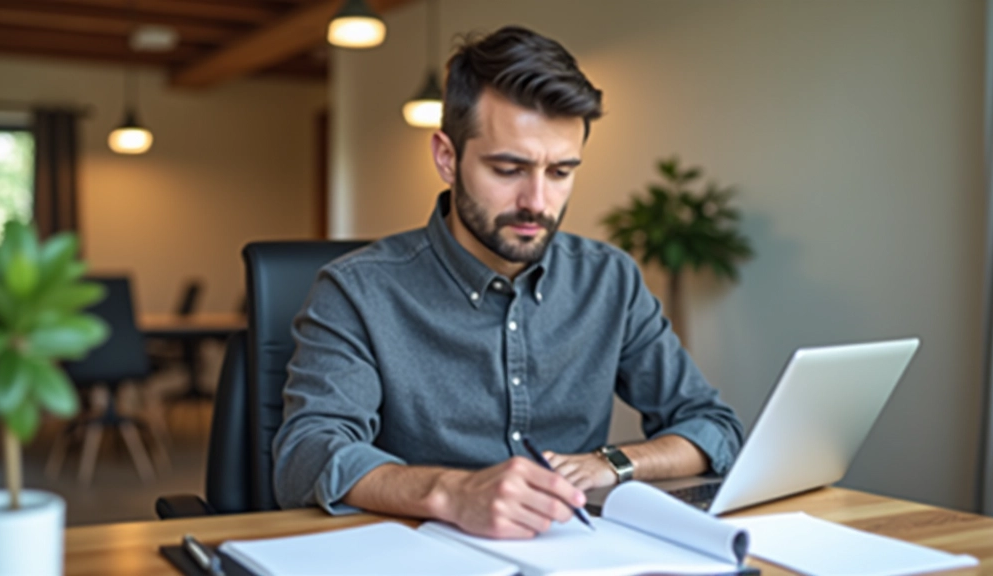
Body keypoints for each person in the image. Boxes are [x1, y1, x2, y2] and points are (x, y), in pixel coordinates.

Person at [272, 25, 743, 539]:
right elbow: (308, 453)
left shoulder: (610, 280)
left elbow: (711, 427)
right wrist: (452, 492)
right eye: (508, 169)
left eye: (561, 172)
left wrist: (614, 462)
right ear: (447, 158)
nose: (537, 202)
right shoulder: (356, 291)